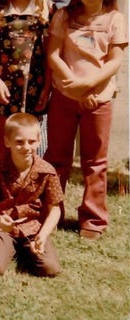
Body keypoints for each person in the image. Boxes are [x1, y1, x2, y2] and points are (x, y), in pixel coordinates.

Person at [43, 0, 127, 240]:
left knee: (95, 162)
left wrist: (90, 86)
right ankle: (51, 211)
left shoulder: (115, 20)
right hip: (64, 96)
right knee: (57, 158)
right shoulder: (63, 16)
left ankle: (93, 218)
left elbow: (114, 62)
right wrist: (76, 87)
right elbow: (53, 55)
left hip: (98, 100)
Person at [0, 113, 62, 277]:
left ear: (39, 140)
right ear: (7, 142)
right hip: (3, 227)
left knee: (50, 269)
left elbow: (55, 209)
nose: (26, 147)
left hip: (32, 228)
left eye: (32, 142)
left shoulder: (47, 172)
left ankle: (22, 250)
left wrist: (43, 235)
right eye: (19, 142)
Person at [0, 0, 52, 164]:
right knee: (1, 140)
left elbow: (48, 52)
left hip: (32, 87)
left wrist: (46, 88)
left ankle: (25, 185)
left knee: (28, 141)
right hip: (3, 86)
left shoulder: (44, 9)